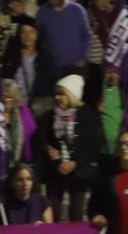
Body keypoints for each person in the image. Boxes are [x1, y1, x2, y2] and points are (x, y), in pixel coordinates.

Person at [37, 74, 103, 222]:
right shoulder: (49, 116)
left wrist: (75, 163)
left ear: (71, 96)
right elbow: (39, 139)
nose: (58, 98)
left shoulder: (87, 116)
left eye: (62, 94)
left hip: (78, 173)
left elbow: (94, 147)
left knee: (76, 214)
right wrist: (49, 150)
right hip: (55, 171)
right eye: (57, 94)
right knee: (54, 212)